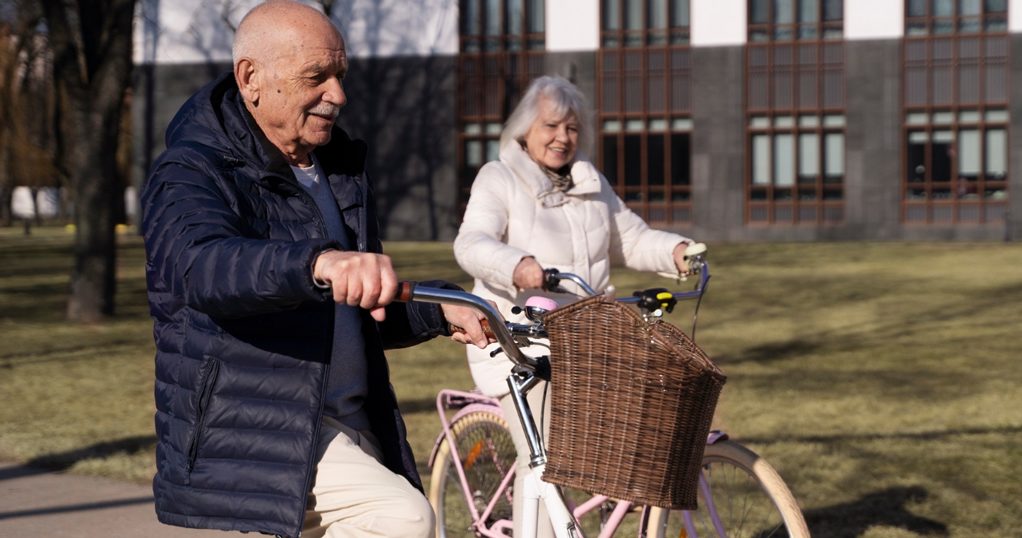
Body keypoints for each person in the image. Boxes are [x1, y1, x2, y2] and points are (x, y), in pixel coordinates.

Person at [140, 2, 489, 537]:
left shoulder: (336, 168)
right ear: (251, 78)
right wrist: (318, 262)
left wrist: (439, 311)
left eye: (340, 75)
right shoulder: (191, 169)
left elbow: (352, 307)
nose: (338, 95)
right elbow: (200, 268)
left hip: (349, 415)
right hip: (256, 425)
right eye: (316, 77)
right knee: (402, 519)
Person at [453, 75, 694, 537]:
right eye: (551, 126)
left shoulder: (590, 182)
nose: (562, 138)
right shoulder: (499, 178)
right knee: (542, 462)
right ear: (525, 129)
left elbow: (632, 239)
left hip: (588, 341)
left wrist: (677, 252)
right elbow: (471, 242)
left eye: (572, 128)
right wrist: (516, 264)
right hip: (518, 343)